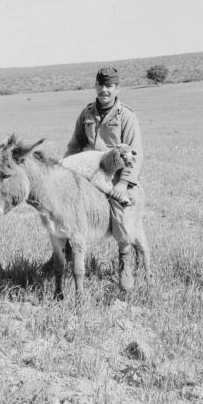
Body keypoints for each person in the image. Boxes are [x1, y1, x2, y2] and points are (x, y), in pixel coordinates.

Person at [64, 67, 144, 295]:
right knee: (63, 207)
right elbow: (74, 146)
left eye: (109, 86)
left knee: (121, 210)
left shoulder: (126, 116)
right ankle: (62, 254)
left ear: (117, 88)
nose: (104, 90)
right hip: (88, 173)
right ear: (96, 87)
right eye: (101, 85)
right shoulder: (87, 113)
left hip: (115, 175)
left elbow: (135, 155)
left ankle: (125, 262)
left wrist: (122, 184)